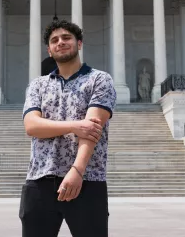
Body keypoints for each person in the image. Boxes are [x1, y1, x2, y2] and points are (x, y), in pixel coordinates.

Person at [20, 19, 117, 237]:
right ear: (49, 50)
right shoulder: (38, 84)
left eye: (66, 38)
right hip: (39, 179)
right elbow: (31, 126)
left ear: (79, 43)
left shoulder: (99, 80)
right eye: (55, 40)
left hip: (87, 180)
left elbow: (92, 129)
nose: (60, 42)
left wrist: (77, 171)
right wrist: (75, 125)